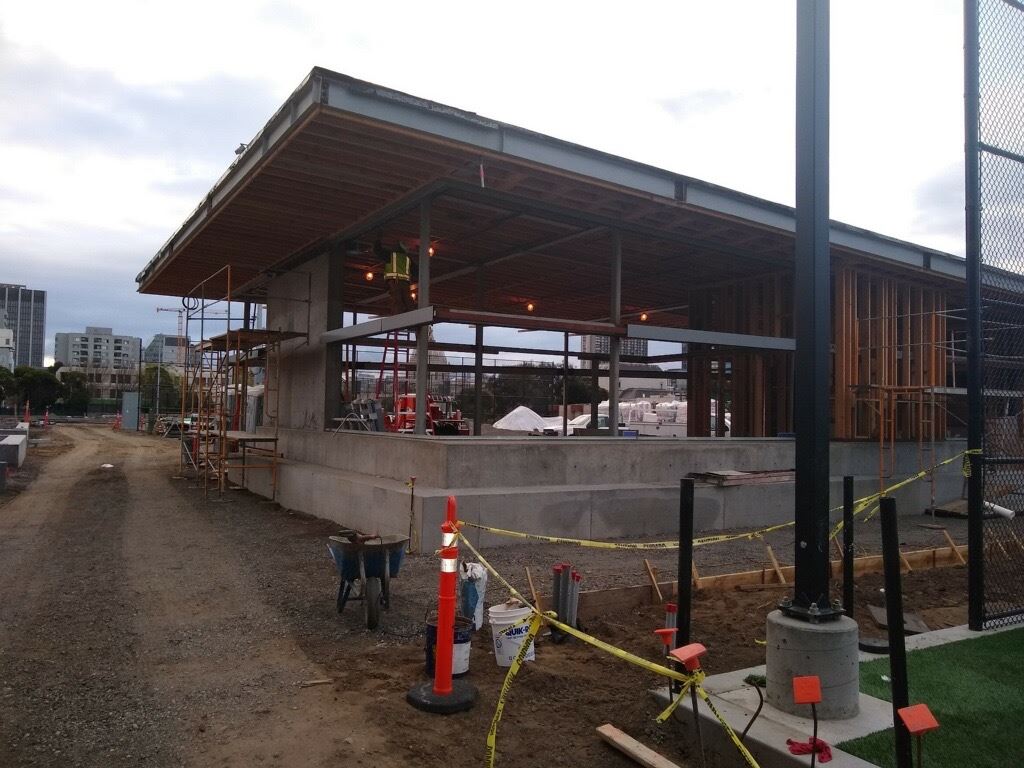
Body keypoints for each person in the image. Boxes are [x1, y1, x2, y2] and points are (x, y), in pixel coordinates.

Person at [375, 239, 416, 313]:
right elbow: (416, 271)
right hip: (405, 283)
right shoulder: (407, 258)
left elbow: (377, 250)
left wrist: (378, 238)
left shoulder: (390, 255)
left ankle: (397, 316)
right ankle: (412, 315)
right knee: (408, 300)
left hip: (395, 282)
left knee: (397, 300)